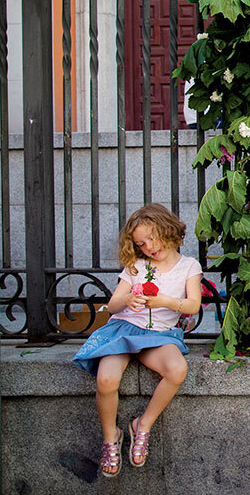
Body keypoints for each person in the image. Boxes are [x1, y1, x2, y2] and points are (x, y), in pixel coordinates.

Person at [73, 203, 203, 477]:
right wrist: (128, 299)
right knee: (106, 379)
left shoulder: (189, 266)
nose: (148, 248)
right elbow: (112, 305)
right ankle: (111, 437)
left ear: (167, 229)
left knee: (177, 369)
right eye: (141, 244)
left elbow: (192, 305)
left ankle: (142, 426)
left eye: (151, 239)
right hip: (124, 330)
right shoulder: (137, 266)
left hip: (158, 336)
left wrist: (164, 301)